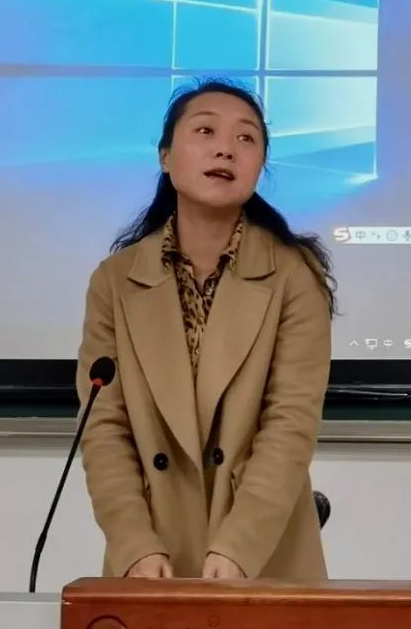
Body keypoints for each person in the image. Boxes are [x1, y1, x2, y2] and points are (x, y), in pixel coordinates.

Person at [75, 78, 336, 581]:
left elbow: (290, 425)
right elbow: (103, 428)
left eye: (246, 138)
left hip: (263, 555)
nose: (226, 149)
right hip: (154, 558)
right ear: (165, 156)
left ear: (260, 166)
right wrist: (133, 545)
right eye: (205, 131)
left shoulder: (294, 275)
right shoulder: (115, 281)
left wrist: (239, 547)